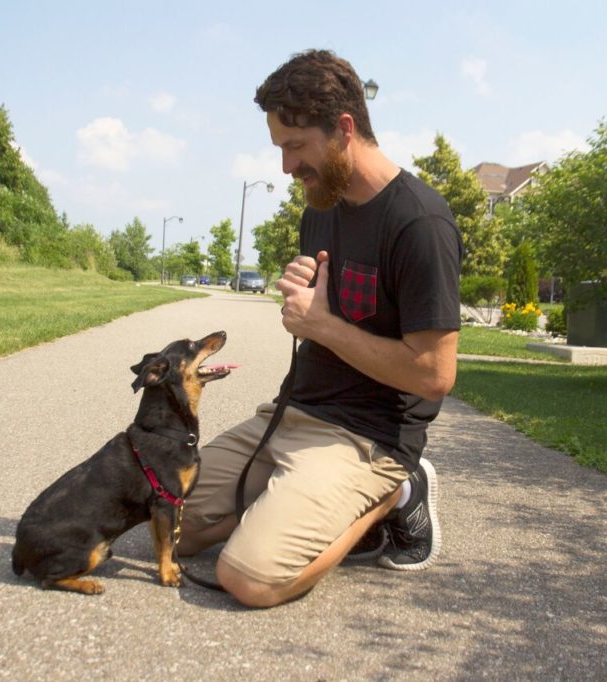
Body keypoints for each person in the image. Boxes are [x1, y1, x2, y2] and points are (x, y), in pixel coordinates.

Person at [178, 49, 463, 608]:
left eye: (295, 147)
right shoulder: (321, 207)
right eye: (280, 148)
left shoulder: (420, 223)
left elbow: (435, 375)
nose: (286, 167)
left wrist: (323, 325)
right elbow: (320, 318)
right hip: (293, 413)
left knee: (250, 579)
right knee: (169, 524)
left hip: (366, 438)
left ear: (345, 129)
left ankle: (397, 493)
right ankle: (284, 508)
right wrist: (303, 300)